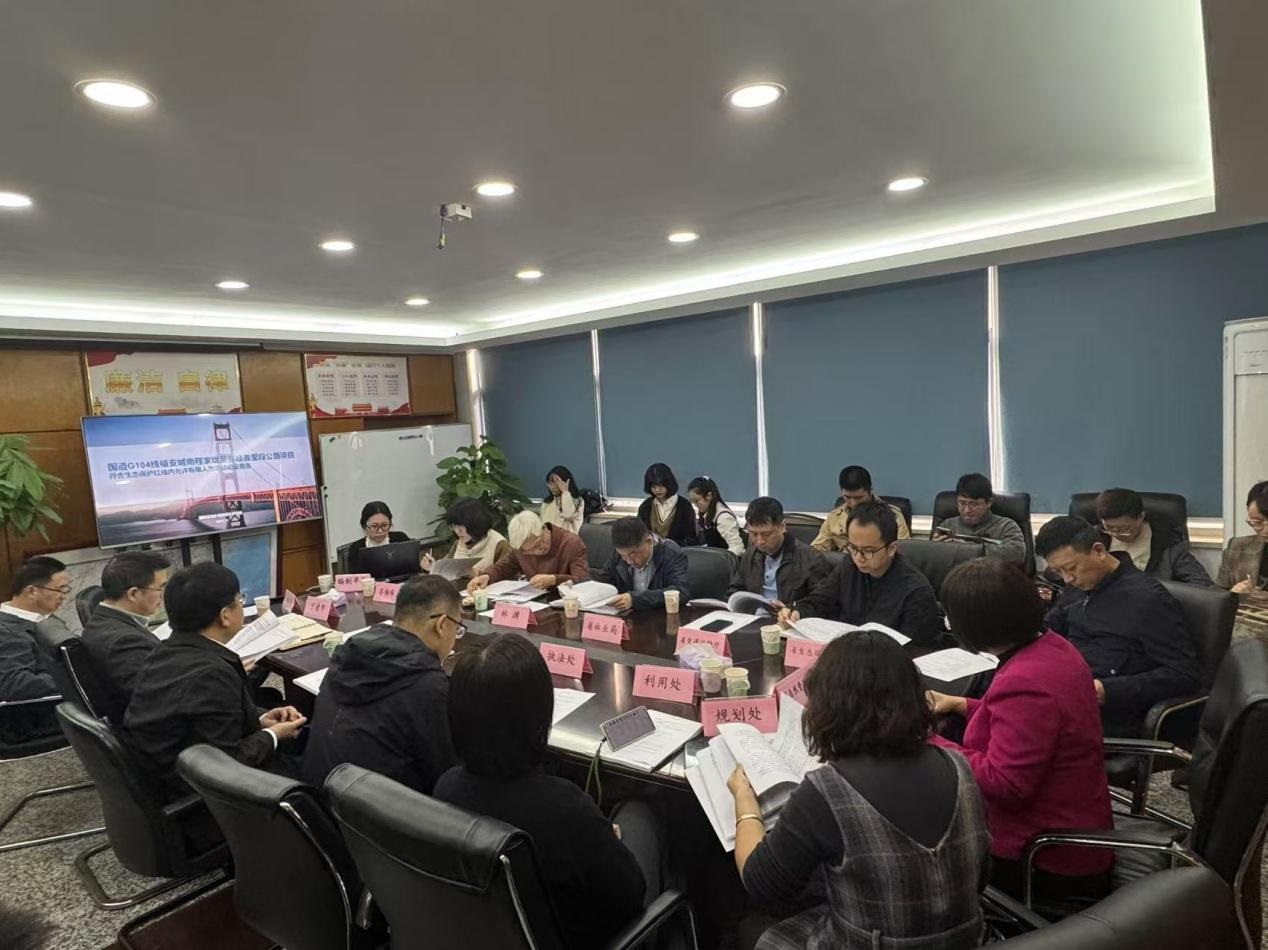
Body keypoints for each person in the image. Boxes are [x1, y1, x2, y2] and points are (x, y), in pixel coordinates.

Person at [728, 631, 989, 949]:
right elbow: (980, 876)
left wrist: (745, 804)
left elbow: (760, 883)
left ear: (827, 707)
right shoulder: (959, 766)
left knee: (753, 926)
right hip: (965, 941)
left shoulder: (826, 791)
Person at [435, 634, 661, 948]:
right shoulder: (566, 810)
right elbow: (631, 896)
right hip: (579, 937)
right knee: (640, 811)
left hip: (490, 935)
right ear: (540, 717)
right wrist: (602, 839)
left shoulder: (445, 790)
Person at [928, 559, 1113, 903]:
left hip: (1046, 858)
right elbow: (1022, 722)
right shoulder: (1051, 645)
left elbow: (1006, 784)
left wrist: (926, 740)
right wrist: (960, 703)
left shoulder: (1025, 681)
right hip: (1077, 816)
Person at [123, 563, 306, 796]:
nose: (242, 605)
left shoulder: (165, 650)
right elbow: (228, 764)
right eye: (240, 600)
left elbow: (205, 720)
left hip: (169, 766)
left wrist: (259, 720)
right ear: (225, 616)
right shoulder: (211, 675)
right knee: (317, 772)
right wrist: (274, 734)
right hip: (198, 790)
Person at [1035, 516, 1200, 737]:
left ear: (1098, 551)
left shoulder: (1148, 599)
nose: (1067, 579)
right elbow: (1050, 628)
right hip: (1066, 691)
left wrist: (1107, 690)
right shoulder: (1078, 587)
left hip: (1112, 711)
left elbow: (1184, 674)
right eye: (1058, 572)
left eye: (1071, 568)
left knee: (1019, 727)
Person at [304, 574, 460, 794]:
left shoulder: (350, 651)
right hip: (374, 810)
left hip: (316, 798)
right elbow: (445, 772)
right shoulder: (428, 684)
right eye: (457, 628)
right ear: (442, 625)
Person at [781, 502, 942, 647]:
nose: (859, 558)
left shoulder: (916, 590)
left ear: (891, 549)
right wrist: (798, 612)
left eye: (868, 551)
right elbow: (820, 600)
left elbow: (916, 649)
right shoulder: (849, 566)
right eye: (853, 548)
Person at [80, 550, 171, 721]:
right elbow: (158, 700)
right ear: (133, 594)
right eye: (160, 587)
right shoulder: (125, 643)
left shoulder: (103, 622)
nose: (163, 594)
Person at [0, 556, 68, 744]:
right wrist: (72, 679)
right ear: (32, 591)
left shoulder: (44, 618)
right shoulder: (7, 632)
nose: (64, 595)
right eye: (60, 589)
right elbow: (15, 684)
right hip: (36, 716)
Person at [1094, 488, 1211, 586]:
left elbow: (1202, 585)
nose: (1116, 535)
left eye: (1124, 529)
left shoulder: (1168, 542)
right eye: (1109, 528)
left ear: (1141, 517)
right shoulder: (1094, 538)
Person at [729, 496, 830, 609]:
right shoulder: (750, 554)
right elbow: (736, 589)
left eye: (766, 534)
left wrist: (791, 608)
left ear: (782, 527)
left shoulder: (811, 558)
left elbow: (821, 602)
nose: (759, 541)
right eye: (754, 534)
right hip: (754, 616)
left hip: (790, 616)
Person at [469, 510, 589, 591]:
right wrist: (486, 576)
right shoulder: (521, 549)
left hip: (566, 605)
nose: (537, 551)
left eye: (538, 544)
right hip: (534, 603)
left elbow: (583, 580)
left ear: (544, 529)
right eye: (529, 551)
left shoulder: (571, 543)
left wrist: (554, 579)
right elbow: (504, 567)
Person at [933, 473, 1026, 566]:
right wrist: (934, 548)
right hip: (955, 573)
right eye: (962, 503)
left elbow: (1017, 554)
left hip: (991, 574)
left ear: (989, 503)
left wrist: (969, 549)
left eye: (973, 504)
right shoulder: (948, 525)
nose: (967, 510)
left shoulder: (1006, 526)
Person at [811, 465, 910, 552]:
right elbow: (817, 549)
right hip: (843, 564)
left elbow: (903, 551)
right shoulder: (834, 517)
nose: (853, 503)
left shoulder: (893, 515)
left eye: (859, 497)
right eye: (847, 497)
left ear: (870, 491)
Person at [604, 517, 691, 612]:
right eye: (623, 555)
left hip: (660, 616)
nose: (629, 561)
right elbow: (603, 579)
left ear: (649, 542)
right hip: (629, 617)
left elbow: (681, 592)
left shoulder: (671, 553)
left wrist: (635, 599)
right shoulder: (619, 555)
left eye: (633, 554)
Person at [420, 498, 511, 578]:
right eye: (454, 526)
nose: (457, 531)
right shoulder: (458, 543)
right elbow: (446, 571)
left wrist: (477, 574)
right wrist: (432, 568)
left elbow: (507, 577)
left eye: (461, 527)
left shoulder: (500, 544)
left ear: (477, 523)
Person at [1216, 480, 1268, 594]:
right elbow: (1217, 596)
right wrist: (1232, 594)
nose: (1266, 530)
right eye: (1257, 522)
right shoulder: (1237, 547)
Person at [637, 462, 697, 545]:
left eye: (661, 485)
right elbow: (638, 534)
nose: (657, 490)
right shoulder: (646, 506)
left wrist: (667, 544)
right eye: (653, 486)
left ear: (669, 483)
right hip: (651, 552)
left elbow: (691, 540)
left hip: (677, 552)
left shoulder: (684, 506)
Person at [347, 501, 409, 574]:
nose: (380, 531)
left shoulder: (401, 539)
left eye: (384, 525)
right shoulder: (356, 548)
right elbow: (356, 577)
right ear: (365, 526)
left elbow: (411, 570)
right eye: (374, 526)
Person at [688, 475, 744, 556]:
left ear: (709, 495)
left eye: (696, 501)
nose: (695, 505)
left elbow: (738, 547)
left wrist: (720, 559)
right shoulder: (707, 514)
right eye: (692, 501)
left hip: (726, 561)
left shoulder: (723, 517)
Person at [540, 465, 585, 534]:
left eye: (556, 483)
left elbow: (568, 514)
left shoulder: (578, 501)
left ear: (565, 482)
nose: (552, 487)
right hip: (549, 539)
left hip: (567, 539)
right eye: (550, 483)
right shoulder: (547, 503)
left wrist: (565, 492)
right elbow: (543, 526)